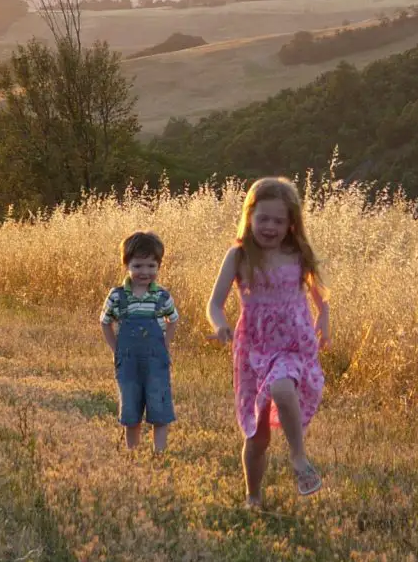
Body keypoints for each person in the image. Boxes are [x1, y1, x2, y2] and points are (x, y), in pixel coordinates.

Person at [206, 178, 328, 505]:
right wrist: (220, 325)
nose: (269, 227)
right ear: (250, 217)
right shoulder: (239, 255)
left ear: (291, 224)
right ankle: (253, 496)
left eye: (278, 220)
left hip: (293, 342)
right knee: (256, 435)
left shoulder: (298, 253)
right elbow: (214, 303)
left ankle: (299, 458)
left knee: (283, 388)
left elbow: (317, 290)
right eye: (263, 218)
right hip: (254, 347)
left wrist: (324, 316)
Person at [100, 231, 178, 453]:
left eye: (151, 266)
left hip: (156, 361)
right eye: (138, 266)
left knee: (159, 405)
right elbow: (105, 322)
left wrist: (165, 345)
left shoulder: (162, 296)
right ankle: (132, 453)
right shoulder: (117, 296)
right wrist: (116, 349)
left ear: (159, 266)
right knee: (131, 407)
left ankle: (159, 453)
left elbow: (173, 319)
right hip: (128, 362)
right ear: (127, 265)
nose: (145, 272)